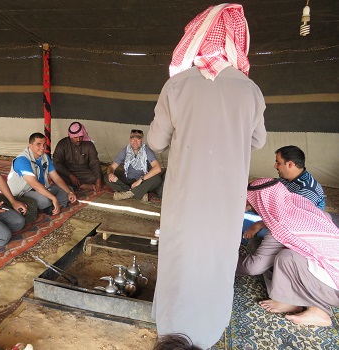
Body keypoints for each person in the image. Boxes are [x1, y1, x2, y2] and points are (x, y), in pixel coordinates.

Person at [147, 4, 267, 348]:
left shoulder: (177, 86)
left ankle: (170, 329)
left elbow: (155, 141)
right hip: (225, 205)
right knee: (216, 261)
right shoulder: (250, 90)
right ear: (235, 43)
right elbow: (258, 140)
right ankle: (208, 329)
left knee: (179, 259)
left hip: (185, 201)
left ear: (195, 41)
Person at [237, 178, 339, 327]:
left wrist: (226, 262)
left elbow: (252, 268)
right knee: (274, 250)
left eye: (252, 202)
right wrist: (260, 223)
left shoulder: (281, 226)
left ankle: (317, 310)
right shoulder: (302, 206)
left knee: (286, 257)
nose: (250, 205)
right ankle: (295, 300)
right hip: (333, 274)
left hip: (333, 290)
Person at [243, 145, 326, 243]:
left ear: (290, 164)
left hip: (299, 230)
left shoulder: (307, 189)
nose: (275, 166)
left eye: (278, 163)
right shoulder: (286, 179)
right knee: (240, 219)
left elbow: (292, 220)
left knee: (259, 234)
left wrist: (259, 224)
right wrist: (249, 206)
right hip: (281, 218)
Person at [7, 132, 77, 216]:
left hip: (42, 187)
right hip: (24, 191)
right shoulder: (22, 160)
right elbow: (34, 184)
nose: (42, 147)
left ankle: (56, 207)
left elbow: (56, 178)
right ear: (30, 146)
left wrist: (69, 192)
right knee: (44, 200)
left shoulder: (45, 157)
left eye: (44, 144)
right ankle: (51, 204)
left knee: (68, 189)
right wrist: (53, 197)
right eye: (38, 144)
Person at [105, 129, 162, 201]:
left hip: (143, 181)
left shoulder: (147, 151)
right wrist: (110, 174)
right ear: (130, 140)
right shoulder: (125, 150)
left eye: (138, 139)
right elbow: (112, 167)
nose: (135, 142)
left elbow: (157, 168)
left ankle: (127, 194)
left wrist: (140, 180)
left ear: (142, 140)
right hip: (128, 180)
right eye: (133, 139)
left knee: (157, 179)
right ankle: (138, 193)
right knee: (106, 176)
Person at [53, 121, 103, 192]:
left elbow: (94, 162)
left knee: (98, 176)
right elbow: (56, 162)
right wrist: (70, 175)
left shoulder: (89, 145)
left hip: (83, 171)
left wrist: (98, 180)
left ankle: (78, 185)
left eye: (81, 137)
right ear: (70, 136)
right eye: (75, 137)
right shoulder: (62, 144)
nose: (78, 140)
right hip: (67, 171)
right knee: (55, 175)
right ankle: (83, 186)